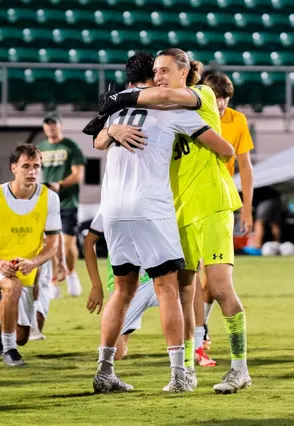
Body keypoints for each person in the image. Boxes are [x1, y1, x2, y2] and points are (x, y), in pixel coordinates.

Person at [97, 48, 250, 394]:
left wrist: (121, 101)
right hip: (174, 209)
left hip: (210, 205)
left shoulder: (201, 95)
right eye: (156, 70)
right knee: (183, 292)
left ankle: (239, 367)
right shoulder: (158, 112)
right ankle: (187, 371)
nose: (161, 76)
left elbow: (226, 150)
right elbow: (101, 138)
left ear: (184, 73)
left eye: (166, 70)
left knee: (221, 288)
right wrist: (115, 128)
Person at [0, 144, 61, 367]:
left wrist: (34, 262)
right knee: (11, 287)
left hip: (26, 268)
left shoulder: (50, 198)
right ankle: (9, 352)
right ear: (14, 168)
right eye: (26, 166)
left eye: (36, 166)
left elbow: (52, 244)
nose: (31, 172)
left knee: (23, 336)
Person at [195, 71, 255, 367]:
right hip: (188, 204)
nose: (220, 105)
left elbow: (244, 164)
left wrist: (247, 207)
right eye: (215, 98)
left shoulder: (237, 121)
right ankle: (194, 339)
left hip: (219, 203)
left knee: (213, 279)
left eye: (224, 100)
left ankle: (199, 337)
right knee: (194, 278)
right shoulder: (191, 115)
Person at [84, 212, 159, 361]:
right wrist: (96, 285)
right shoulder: (110, 205)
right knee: (115, 354)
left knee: (188, 294)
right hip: (124, 285)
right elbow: (89, 242)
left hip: (158, 279)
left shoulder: (157, 198)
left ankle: (198, 341)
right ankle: (123, 337)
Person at [37, 112, 85, 298]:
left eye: (54, 124)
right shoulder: (40, 147)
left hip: (67, 201)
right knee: (50, 244)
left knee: (67, 243)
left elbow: (78, 174)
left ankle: (71, 273)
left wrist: (60, 185)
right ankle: (54, 281)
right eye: (47, 124)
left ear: (60, 125)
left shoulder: (71, 147)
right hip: (46, 203)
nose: (51, 127)